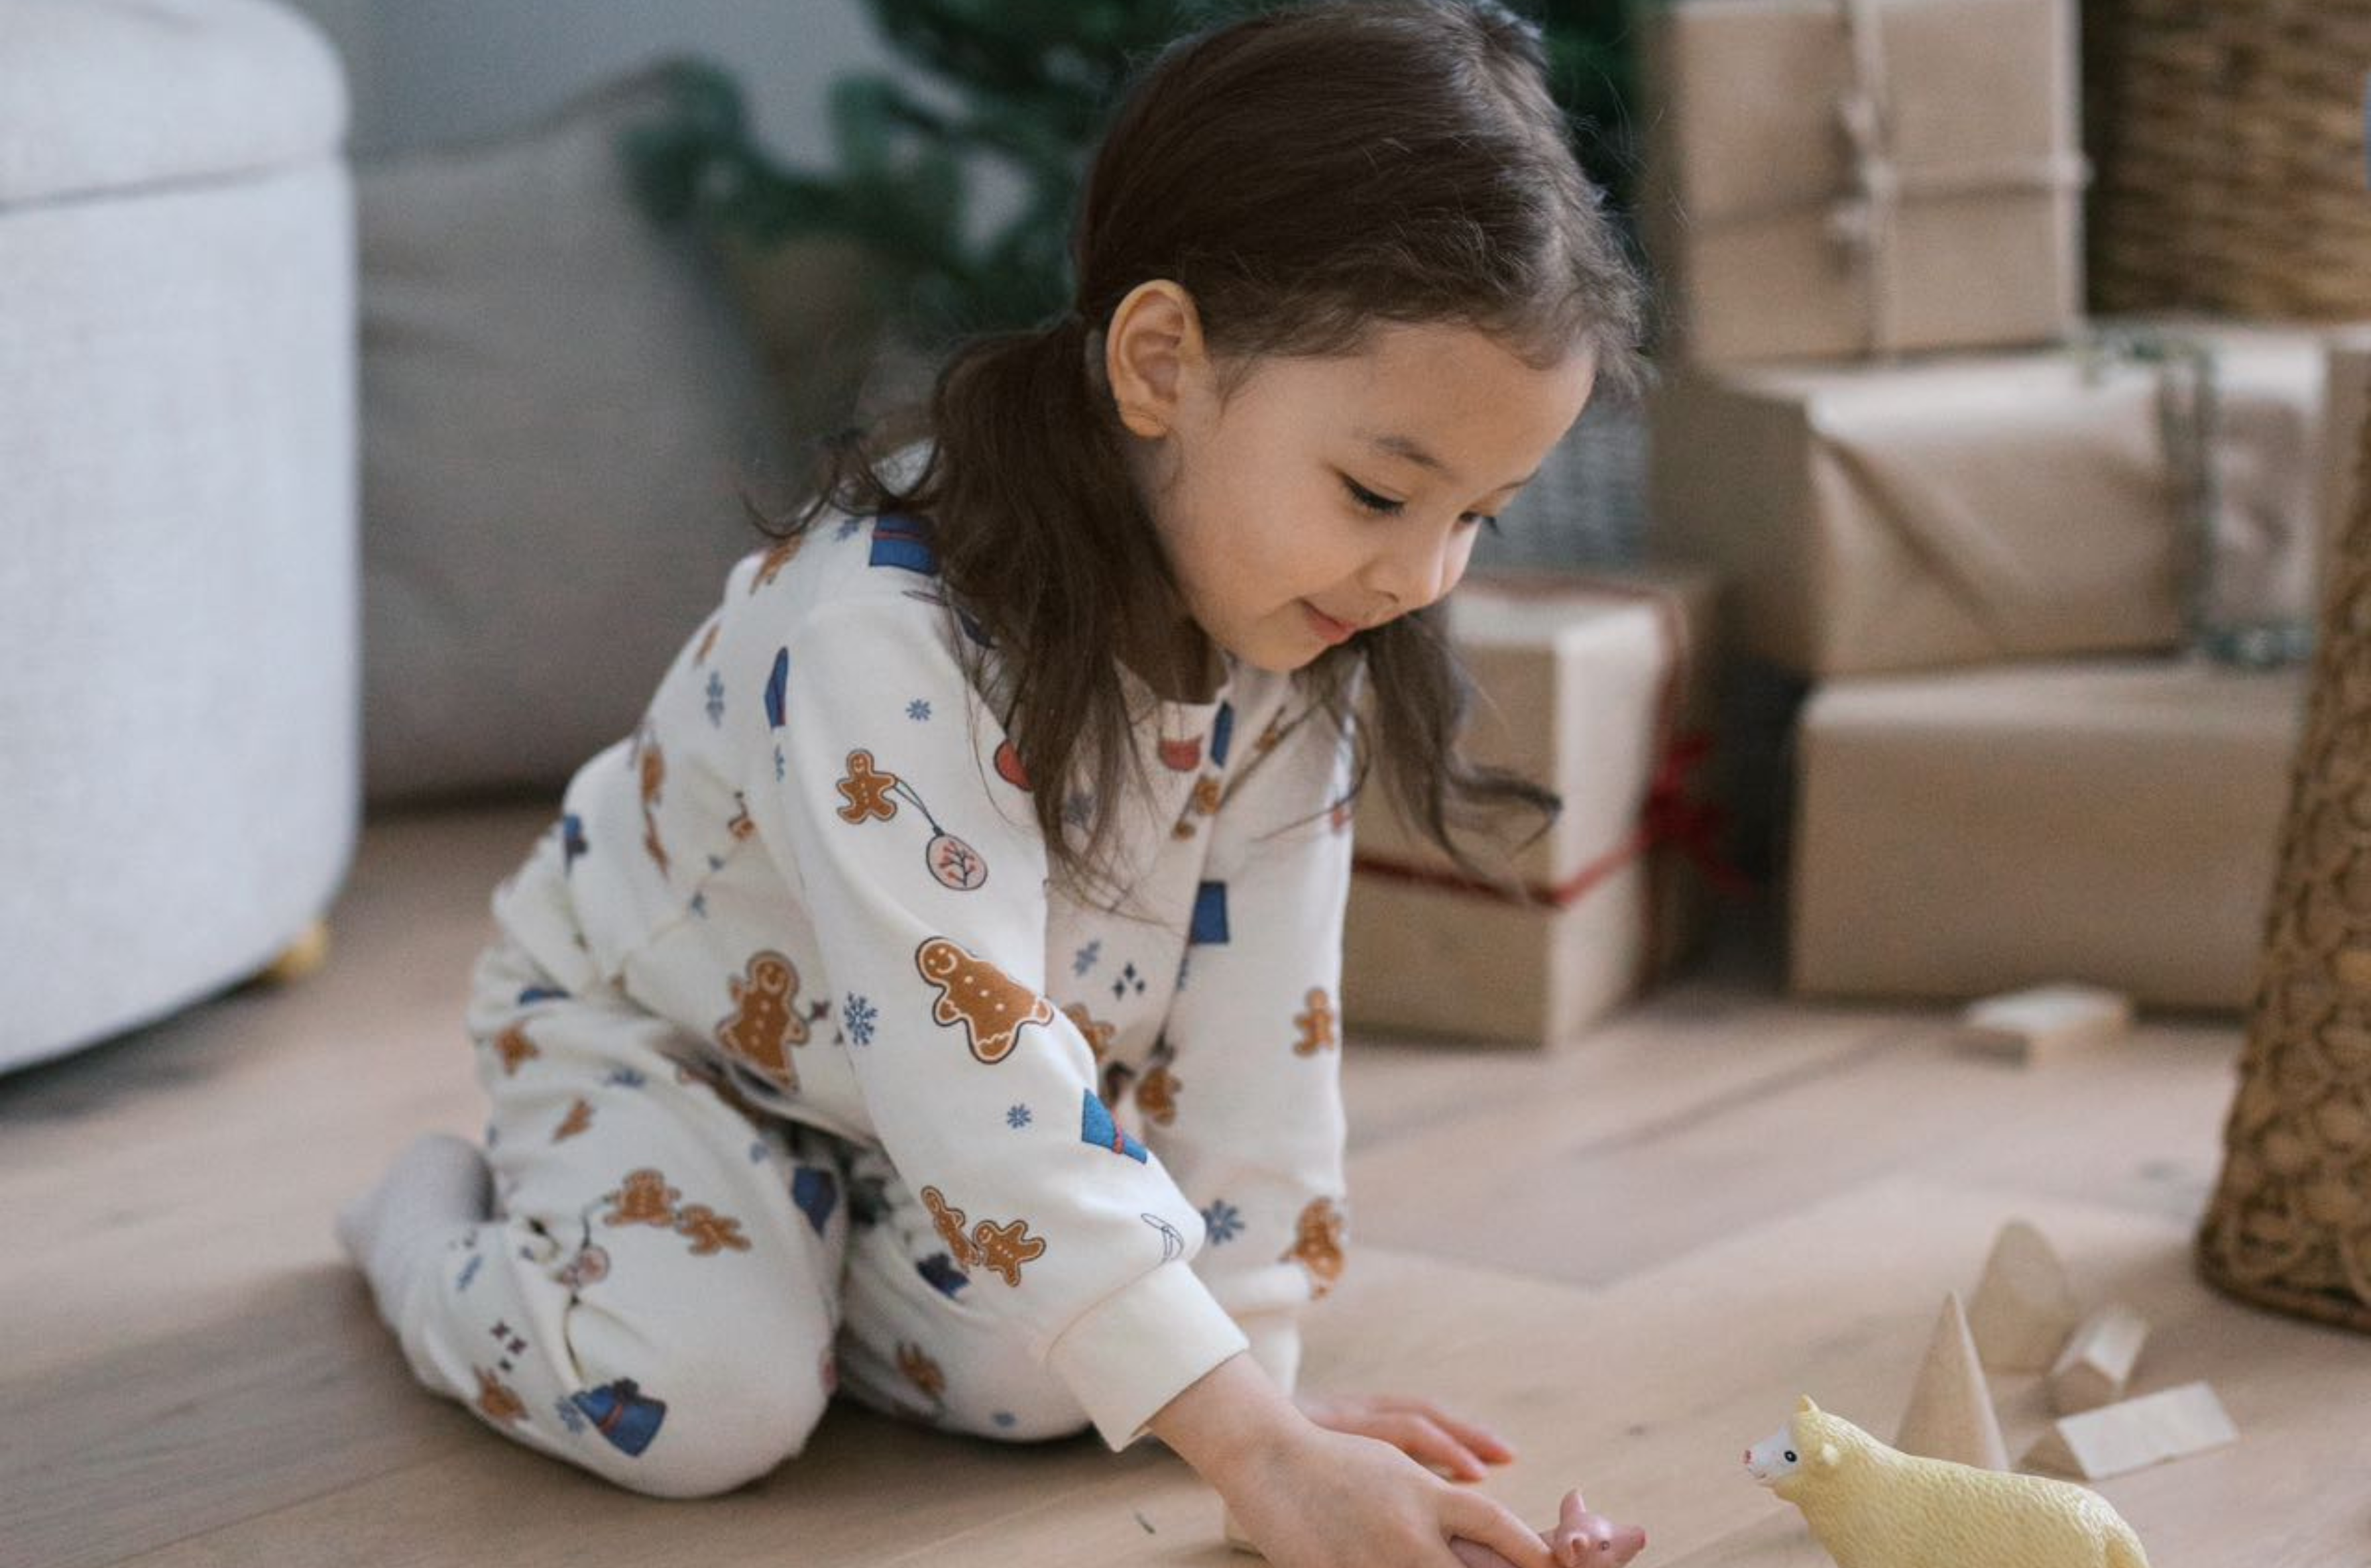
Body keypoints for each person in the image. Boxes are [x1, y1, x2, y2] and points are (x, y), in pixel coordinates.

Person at [334, 2, 1646, 1563]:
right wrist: (1255, 1450)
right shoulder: (883, 638)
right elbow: (982, 1071)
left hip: (909, 1114)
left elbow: (1260, 1047)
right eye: (1379, 491)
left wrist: (1262, 1408)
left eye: (1480, 516)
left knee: (1074, 1375)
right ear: (1161, 360)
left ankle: (805, 1273)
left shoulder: (1303, 638)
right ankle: (425, 1222)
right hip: (670, 1045)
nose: (1423, 573)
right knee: (700, 1407)